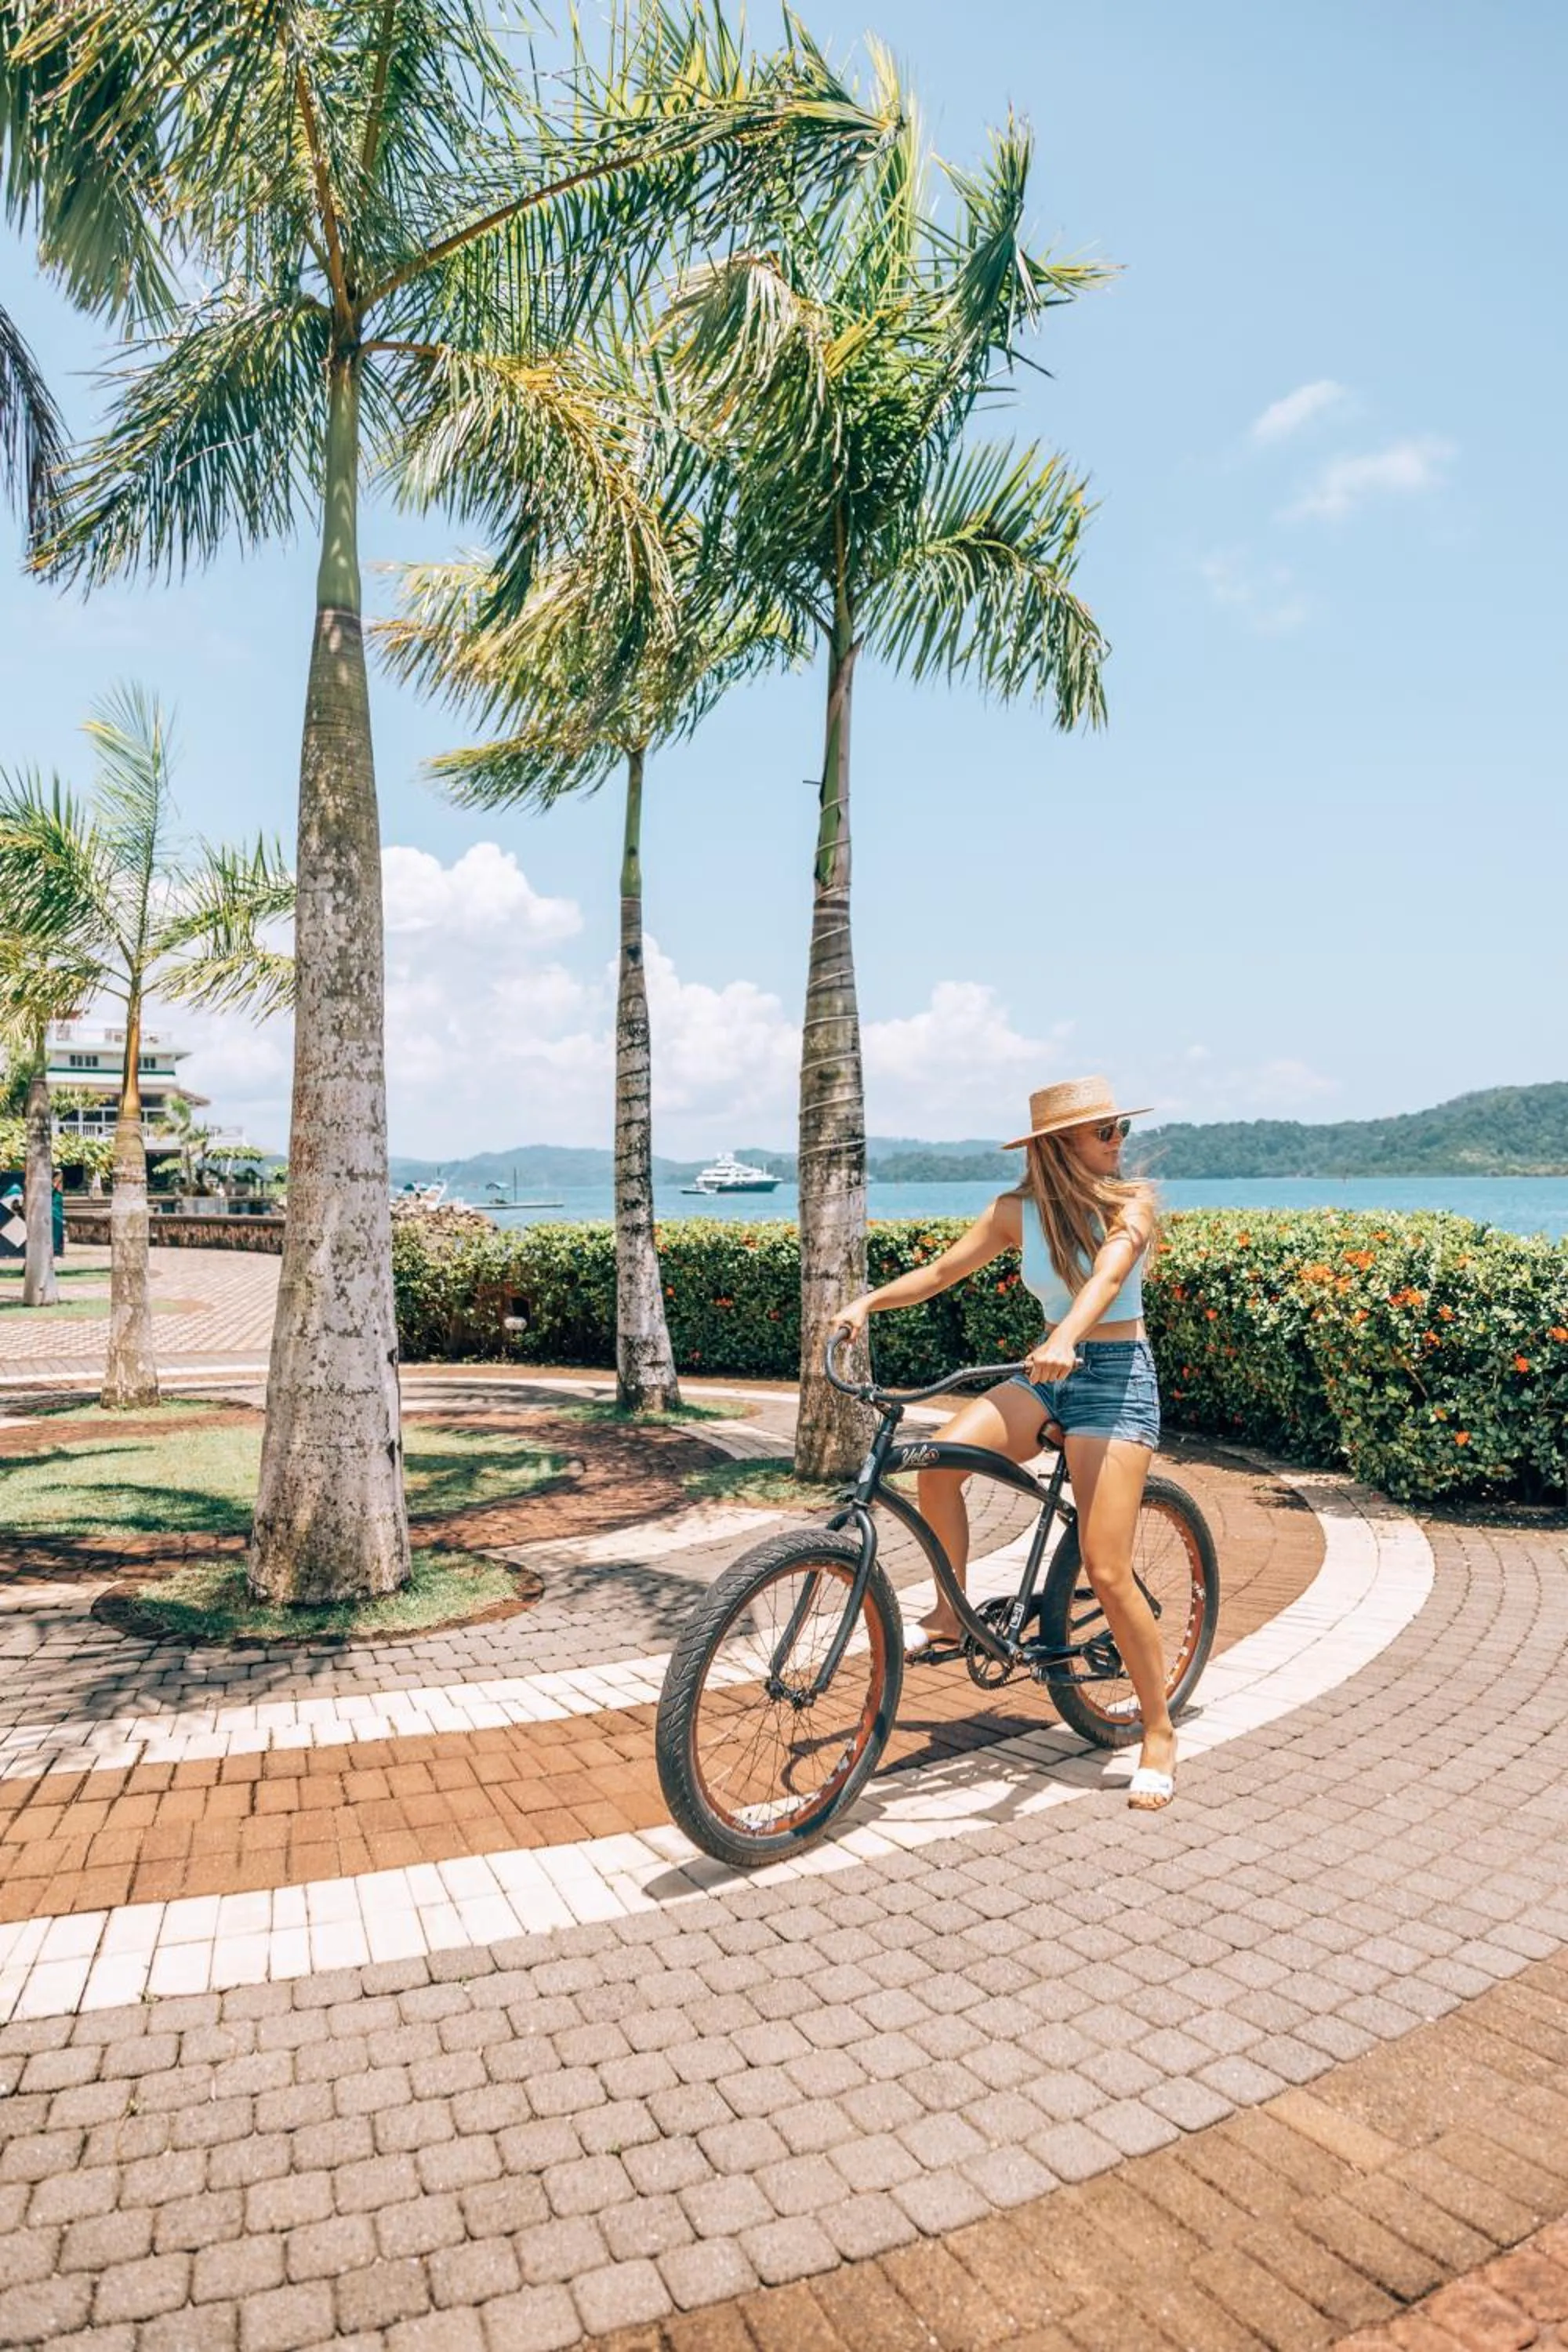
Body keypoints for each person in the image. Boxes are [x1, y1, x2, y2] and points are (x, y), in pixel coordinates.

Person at [835, 1075, 1176, 1811]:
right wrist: (868, 1301)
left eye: (1119, 1127)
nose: (1120, 1140)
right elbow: (940, 1271)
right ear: (1060, 1145)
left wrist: (1064, 1336)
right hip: (1047, 1375)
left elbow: (1108, 1277)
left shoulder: (1133, 1204)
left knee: (1107, 1569)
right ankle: (952, 1616)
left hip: (1113, 1374)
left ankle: (1157, 1731)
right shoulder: (1014, 1212)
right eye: (1105, 1130)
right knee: (938, 1464)